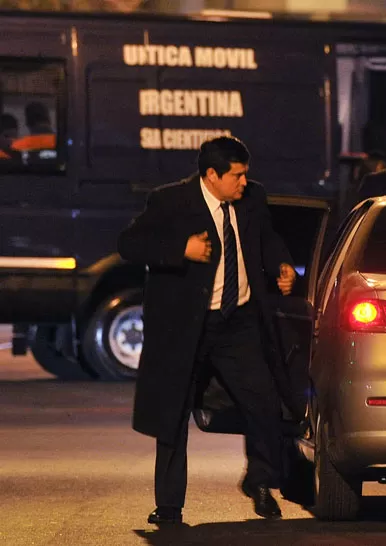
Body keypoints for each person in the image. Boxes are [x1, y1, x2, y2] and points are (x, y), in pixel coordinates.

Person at [118, 136, 298, 525]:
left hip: (239, 322)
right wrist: (180, 248)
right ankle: (168, 505)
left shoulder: (253, 198)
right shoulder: (171, 201)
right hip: (189, 325)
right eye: (236, 175)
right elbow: (130, 243)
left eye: (246, 174)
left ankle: (261, 482)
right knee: (173, 412)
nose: (244, 182)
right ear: (212, 175)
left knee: (264, 402)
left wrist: (282, 266)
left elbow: (267, 240)